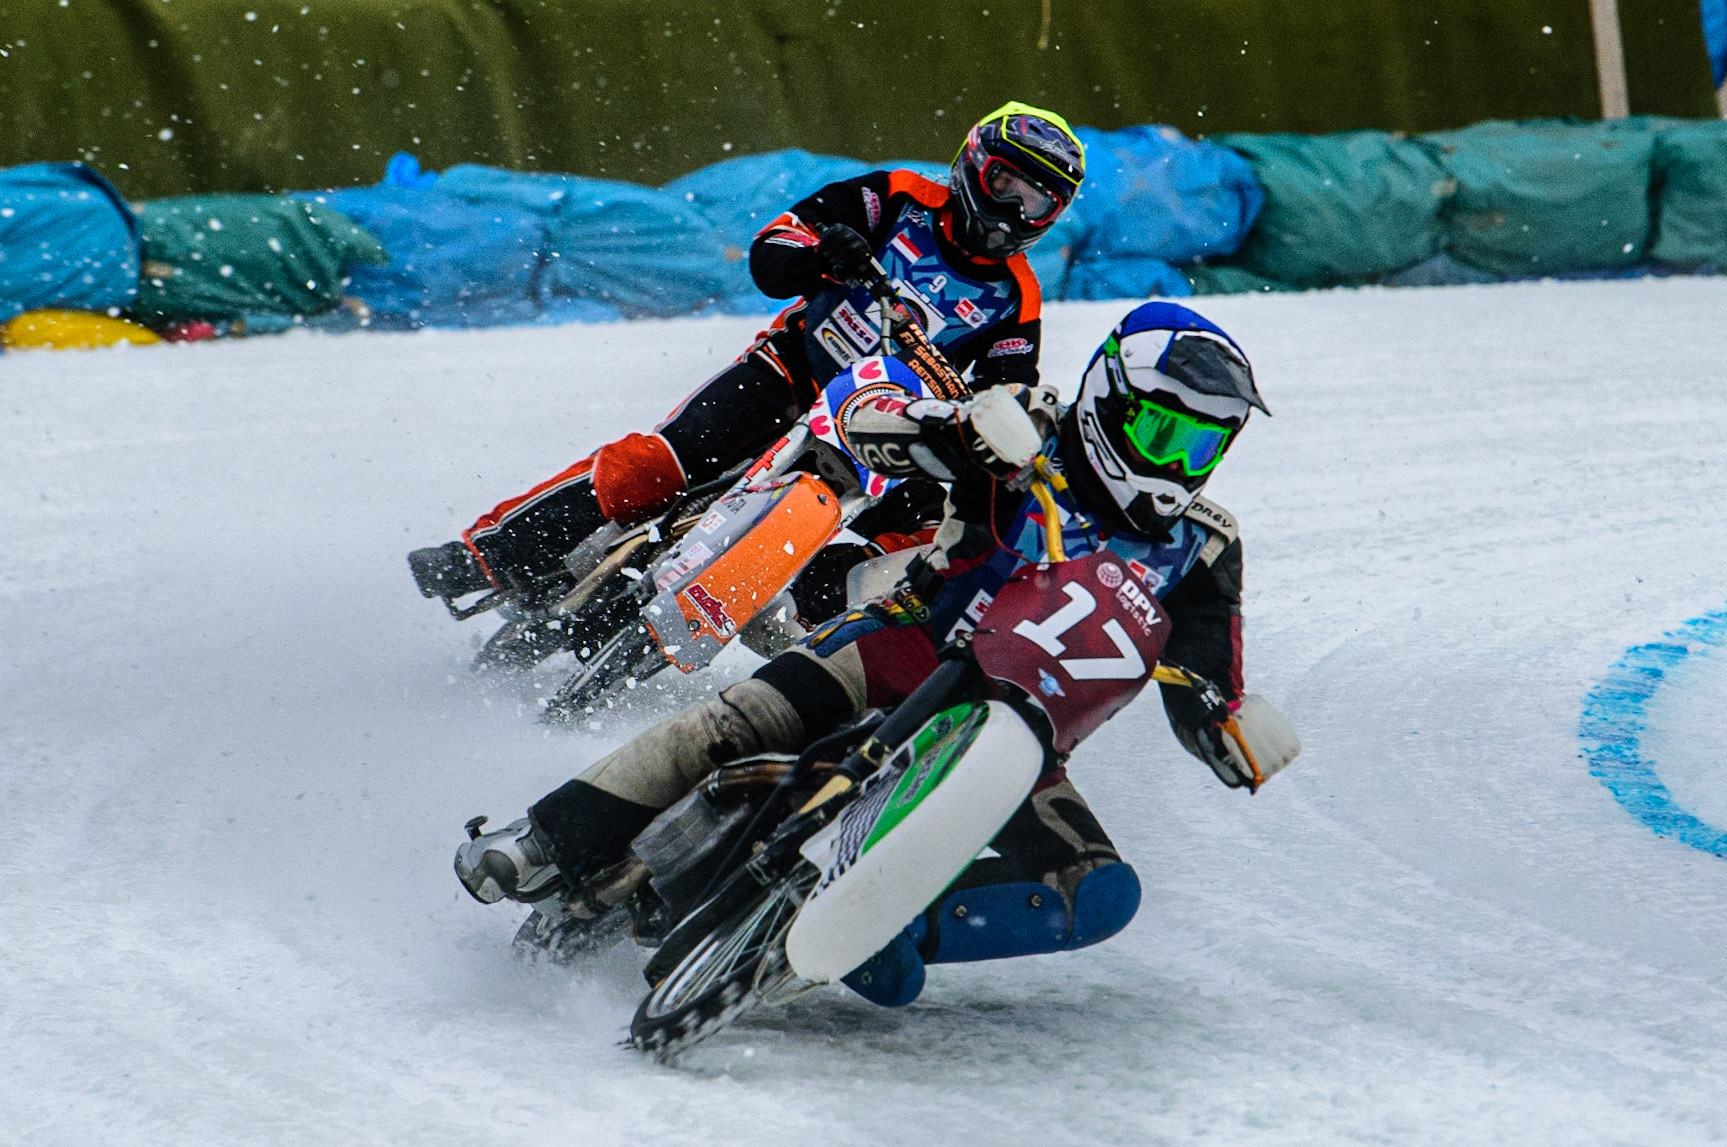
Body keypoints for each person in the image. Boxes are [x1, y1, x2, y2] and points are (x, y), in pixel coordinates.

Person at [454, 302, 1300, 1006]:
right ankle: (542, 838)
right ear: (1107, 396)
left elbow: (1199, 673)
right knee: (740, 717)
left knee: (1099, 891)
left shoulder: (1204, 546)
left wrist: (1223, 730)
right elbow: (870, 428)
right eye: (1160, 428)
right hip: (902, 643)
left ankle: (884, 928)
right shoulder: (1026, 425)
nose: (1174, 464)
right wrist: (954, 429)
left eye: (1200, 444)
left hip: (1024, 742)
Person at [408, 102, 1087, 606]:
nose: (1013, 210)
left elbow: (1003, 398)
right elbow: (771, 253)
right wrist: (825, 256)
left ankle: (819, 640)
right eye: (1006, 184)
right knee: (654, 466)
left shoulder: (1016, 299)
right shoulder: (895, 197)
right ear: (972, 164)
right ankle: (487, 554)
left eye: (1038, 202)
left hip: (882, 432)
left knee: (926, 544)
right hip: (791, 371)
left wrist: (994, 428)